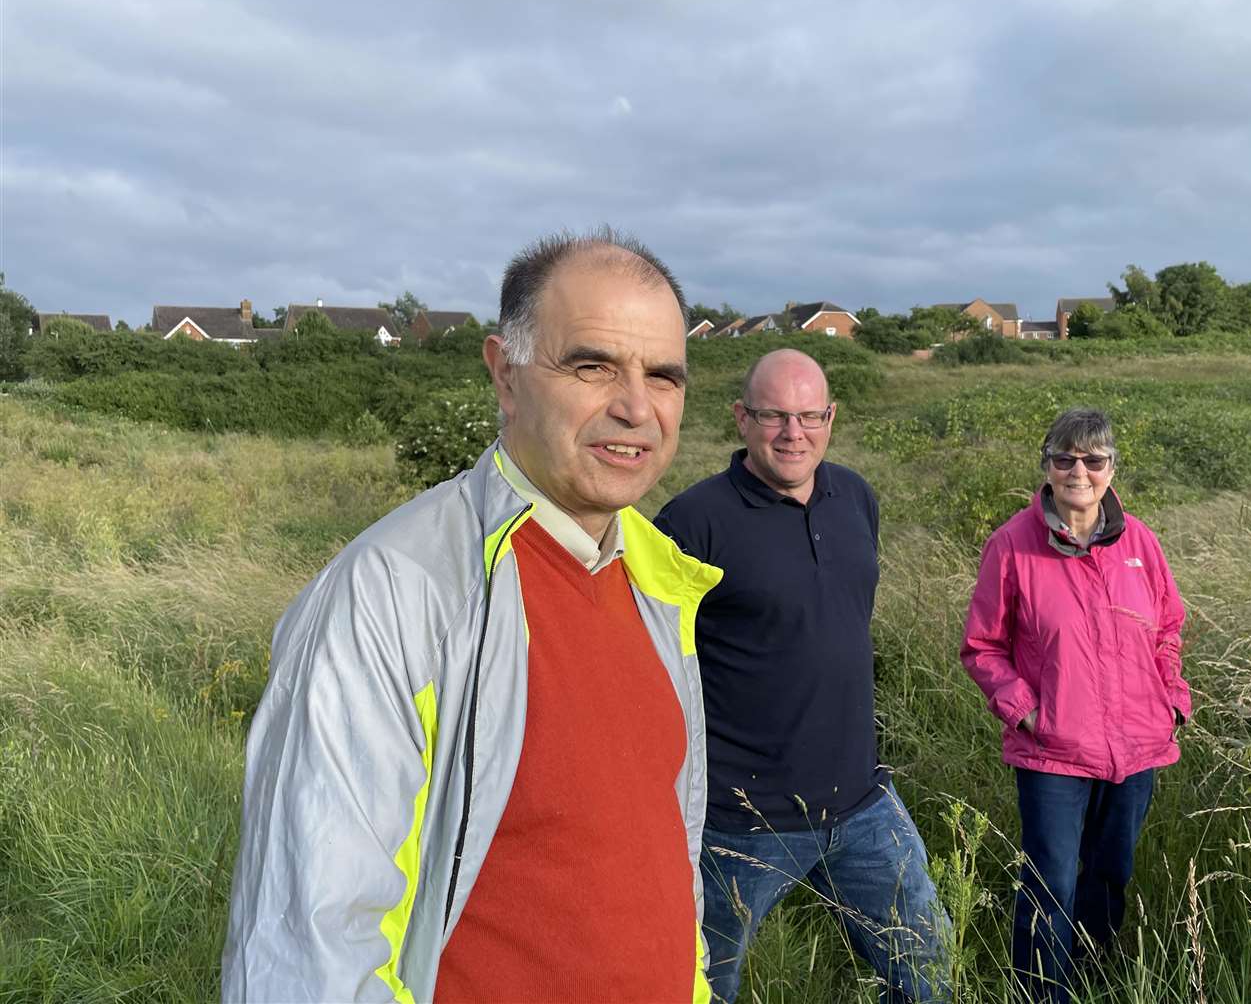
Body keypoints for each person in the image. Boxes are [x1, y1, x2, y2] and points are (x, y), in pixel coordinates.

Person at [222, 228, 723, 1003]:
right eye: (591, 366)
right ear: (506, 376)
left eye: (664, 376)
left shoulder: (661, 586)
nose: (636, 407)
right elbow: (309, 947)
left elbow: (662, 859)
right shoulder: (395, 591)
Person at [654, 348, 951, 1004]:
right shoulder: (691, 524)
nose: (794, 433)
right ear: (741, 419)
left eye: (810, 416)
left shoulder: (855, 498)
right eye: (774, 416)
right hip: (741, 819)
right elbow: (651, 665)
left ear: (831, 417)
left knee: (926, 968)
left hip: (862, 804)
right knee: (699, 982)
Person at [961, 407, 1190, 1004]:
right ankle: (1041, 993)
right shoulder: (1012, 545)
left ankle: (1090, 981)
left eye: (1093, 460)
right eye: (1065, 459)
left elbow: (1168, 627)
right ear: (1047, 468)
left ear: (1112, 469)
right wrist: (1029, 712)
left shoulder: (1139, 540)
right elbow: (982, 647)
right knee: (1051, 885)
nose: (1079, 472)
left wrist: (1170, 699)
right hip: (1053, 753)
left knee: (1109, 876)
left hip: (1138, 746)